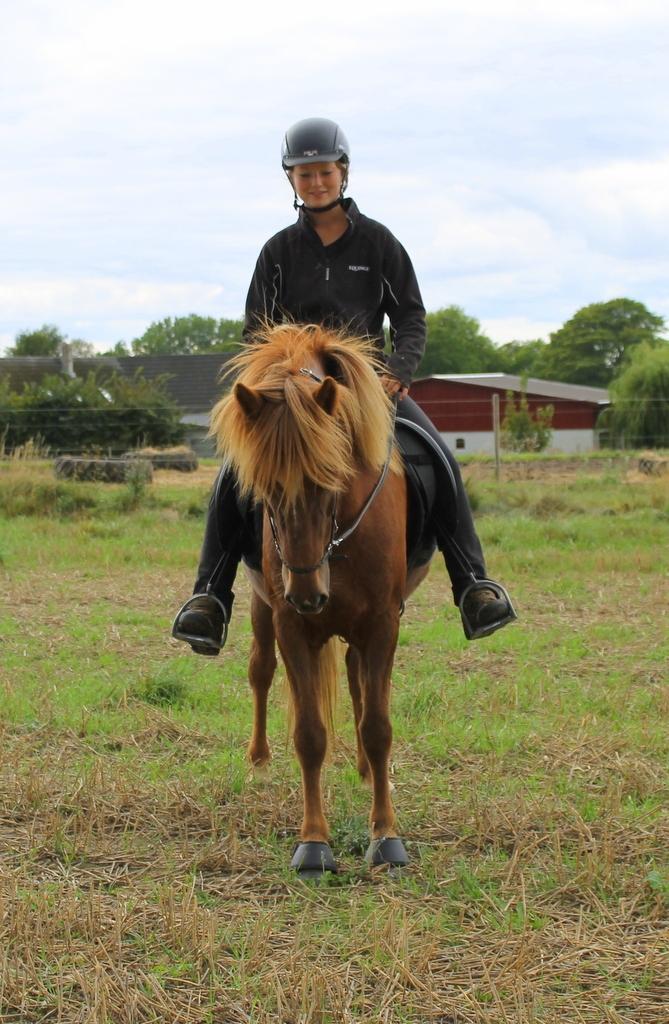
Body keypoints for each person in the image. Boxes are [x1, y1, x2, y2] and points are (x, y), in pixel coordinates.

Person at [173, 117, 515, 655]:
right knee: (232, 475)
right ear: (291, 180)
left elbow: (411, 318)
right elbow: (254, 331)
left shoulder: (379, 243)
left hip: (369, 393)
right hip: (296, 401)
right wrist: (276, 382)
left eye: (324, 172)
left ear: (344, 173)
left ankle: (474, 583)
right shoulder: (277, 252)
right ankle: (209, 597)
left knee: (439, 458)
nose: (316, 183)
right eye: (304, 174)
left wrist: (398, 370)